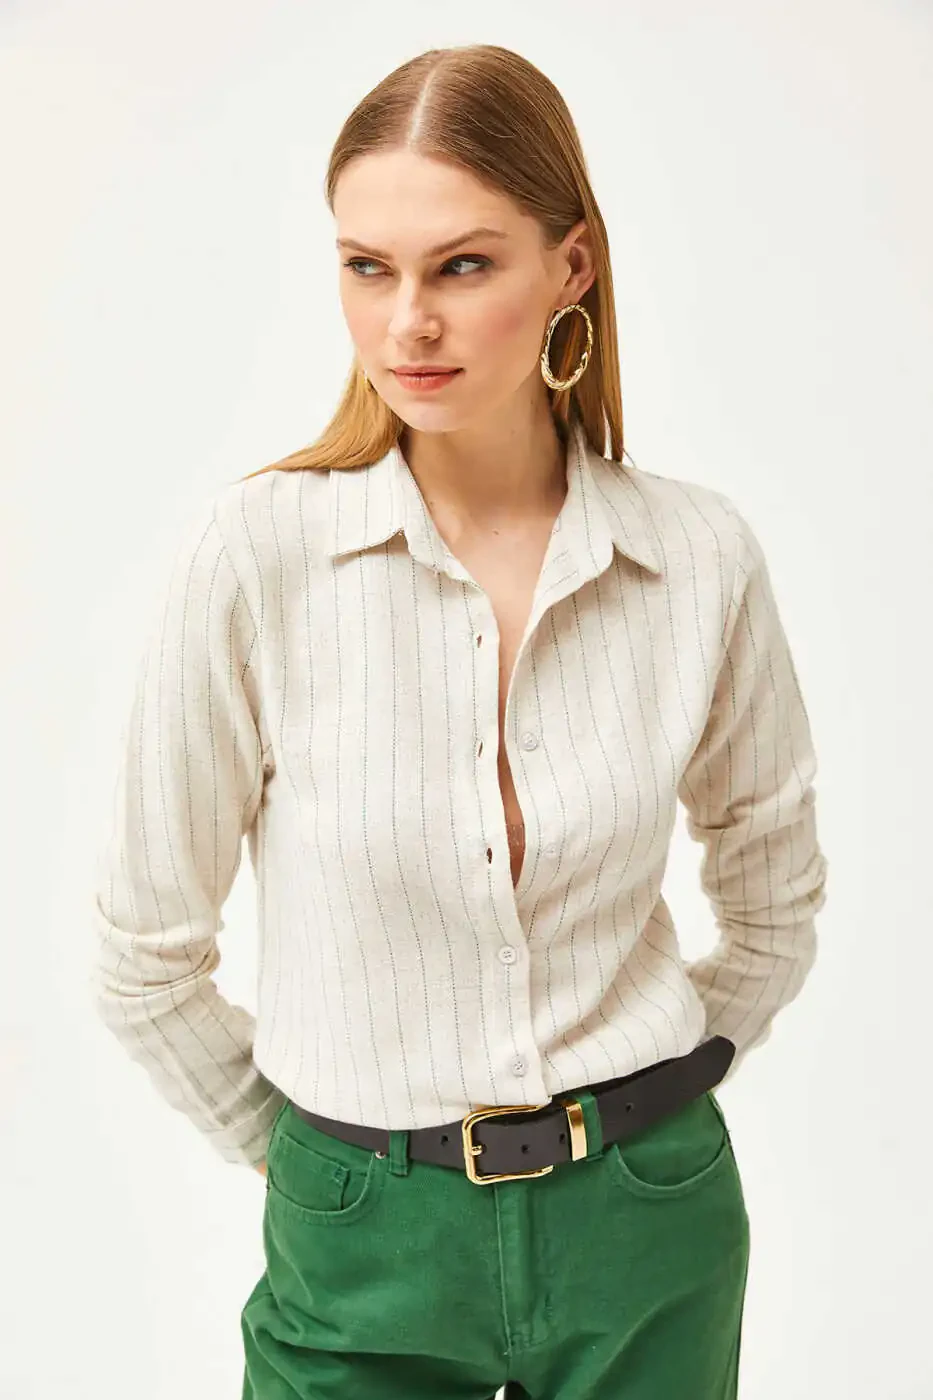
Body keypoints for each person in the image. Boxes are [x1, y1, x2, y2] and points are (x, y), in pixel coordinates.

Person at [90, 41, 829, 1400]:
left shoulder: (698, 560)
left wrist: (647, 1108)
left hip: (648, 1229)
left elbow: (775, 905)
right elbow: (144, 951)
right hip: (357, 1240)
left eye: (463, 266)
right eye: (367, 267)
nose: (406, 324)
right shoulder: (258, 558)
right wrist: (326, 1166)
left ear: (571, 265)